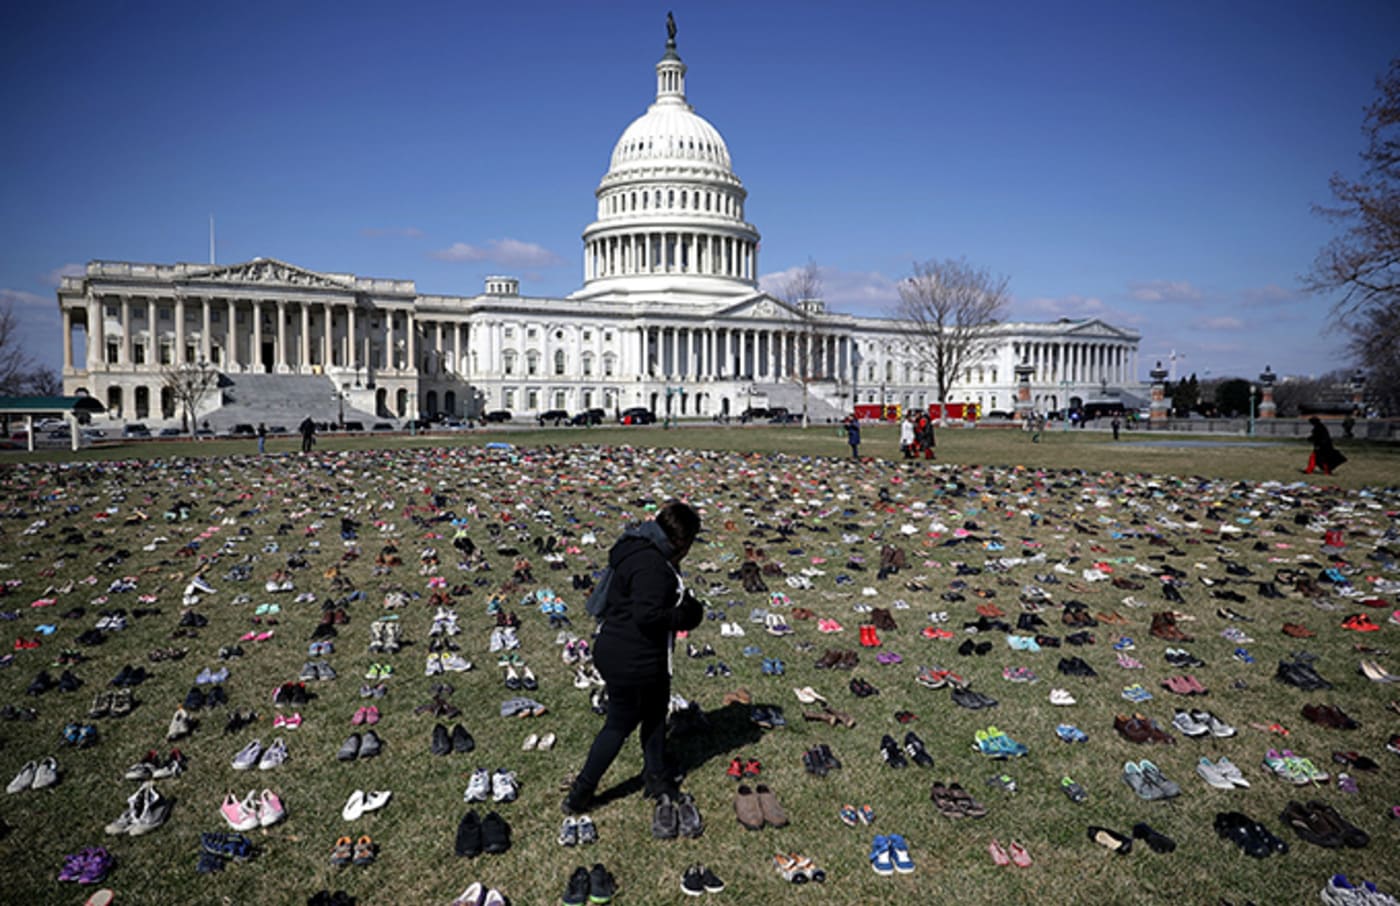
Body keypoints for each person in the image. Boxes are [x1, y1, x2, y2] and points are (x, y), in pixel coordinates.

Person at [563, 500, 703, 815]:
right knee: (619, 724)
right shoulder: (653, 565)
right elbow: (648, 616)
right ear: (680, 541)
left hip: (623, 646)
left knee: (655, 713)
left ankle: (656, 776)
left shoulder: (636, 546)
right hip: (633, 654)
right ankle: (581, 792)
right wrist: (687, 616)